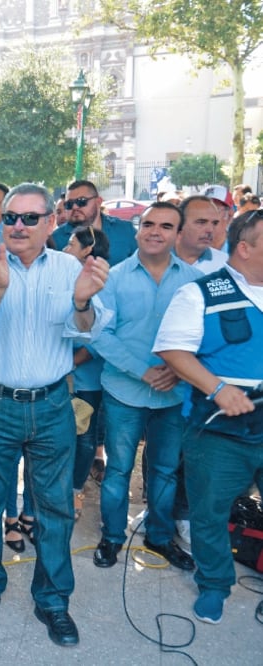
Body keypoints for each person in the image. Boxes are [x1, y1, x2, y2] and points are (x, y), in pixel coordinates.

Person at [0, 183, 109, 647]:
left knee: (55, 508)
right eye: (11, 217)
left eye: (29, 218)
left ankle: (54, 601)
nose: (18, 226)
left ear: (51, 223)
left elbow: (89, 332)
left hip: (52, 404)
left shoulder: (69, 269)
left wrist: (81, 302)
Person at [153, 210, 263, 624]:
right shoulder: (201, 294)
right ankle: (215, 584)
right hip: (220, 430)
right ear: (246, 248)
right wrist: (218, 388)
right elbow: (172, 349)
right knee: (210, 512)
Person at [90, 202, 201, 570]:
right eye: (148, 224)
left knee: (165, 469)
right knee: (119, 469)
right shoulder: (115, 278)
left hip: (174, 393)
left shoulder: (193, 282)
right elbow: (99, 335)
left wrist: (178, 369)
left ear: (178, 234)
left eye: (165, 226)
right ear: (138, 230)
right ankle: (112, 537)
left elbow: (201, 337)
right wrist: (143, 371)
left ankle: (158, 536)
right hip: (126, 392)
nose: (155, 231)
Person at [61, 225, 110, 522]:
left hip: (85, 380)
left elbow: (100, 337)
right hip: (58, 378)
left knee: (83, 439)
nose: (66, 249)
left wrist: (70, 363)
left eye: (71, 244)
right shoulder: (62, 275)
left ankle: (75, 491)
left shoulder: (102, 280)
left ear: (87, 250)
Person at [51, 180, 136, 266]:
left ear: (98, 202)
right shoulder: (55, 239)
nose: (75, 207)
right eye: (69, 204)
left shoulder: (125, 231)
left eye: (81, 201)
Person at [174, 195, 228, 274]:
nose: (210, 230)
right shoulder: (156, 260)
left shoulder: (226, 265)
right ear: (180, 224)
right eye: (201, 222)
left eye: (214, 223)